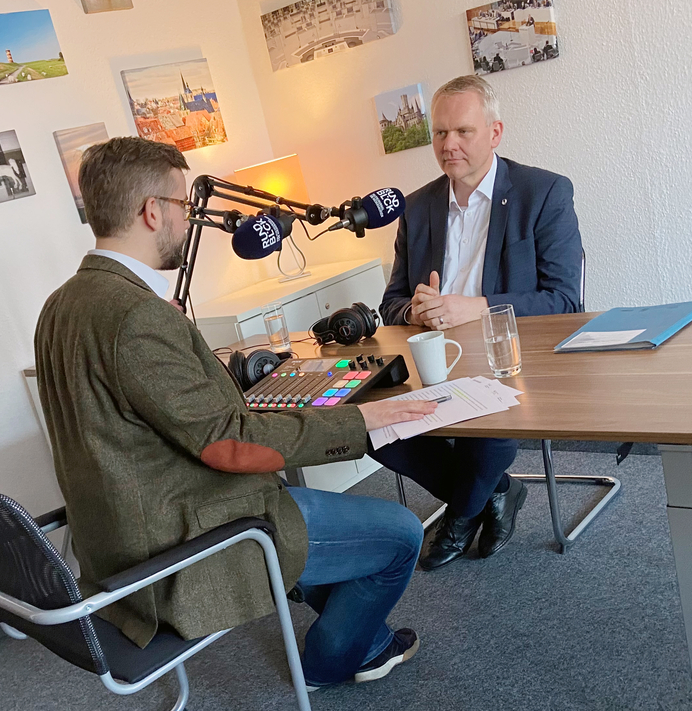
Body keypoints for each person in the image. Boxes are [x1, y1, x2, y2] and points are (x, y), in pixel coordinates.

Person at [34, 137, 438, 691]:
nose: (188, 218)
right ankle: (332, 661)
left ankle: (359, 634)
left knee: (337, 530)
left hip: (116, 540)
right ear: (152, 212)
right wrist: (364, 422)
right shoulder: (136, 316)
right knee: (400, 534)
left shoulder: (62, 304)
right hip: (189, 540)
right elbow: (230, 444)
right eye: (183, 206)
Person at [375, 75, 582, 571]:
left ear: (495, 132)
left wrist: (479, 307)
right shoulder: (418, 206)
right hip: (436, 355)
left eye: (463, 132)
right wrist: (416, 309)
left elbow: (565, 300)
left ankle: (461, 514)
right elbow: (392, 304)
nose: (449, 145)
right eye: (440, 133)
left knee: (490, 422)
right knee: (366, 423)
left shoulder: (544, 192)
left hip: (510, 357)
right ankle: (495, 493)